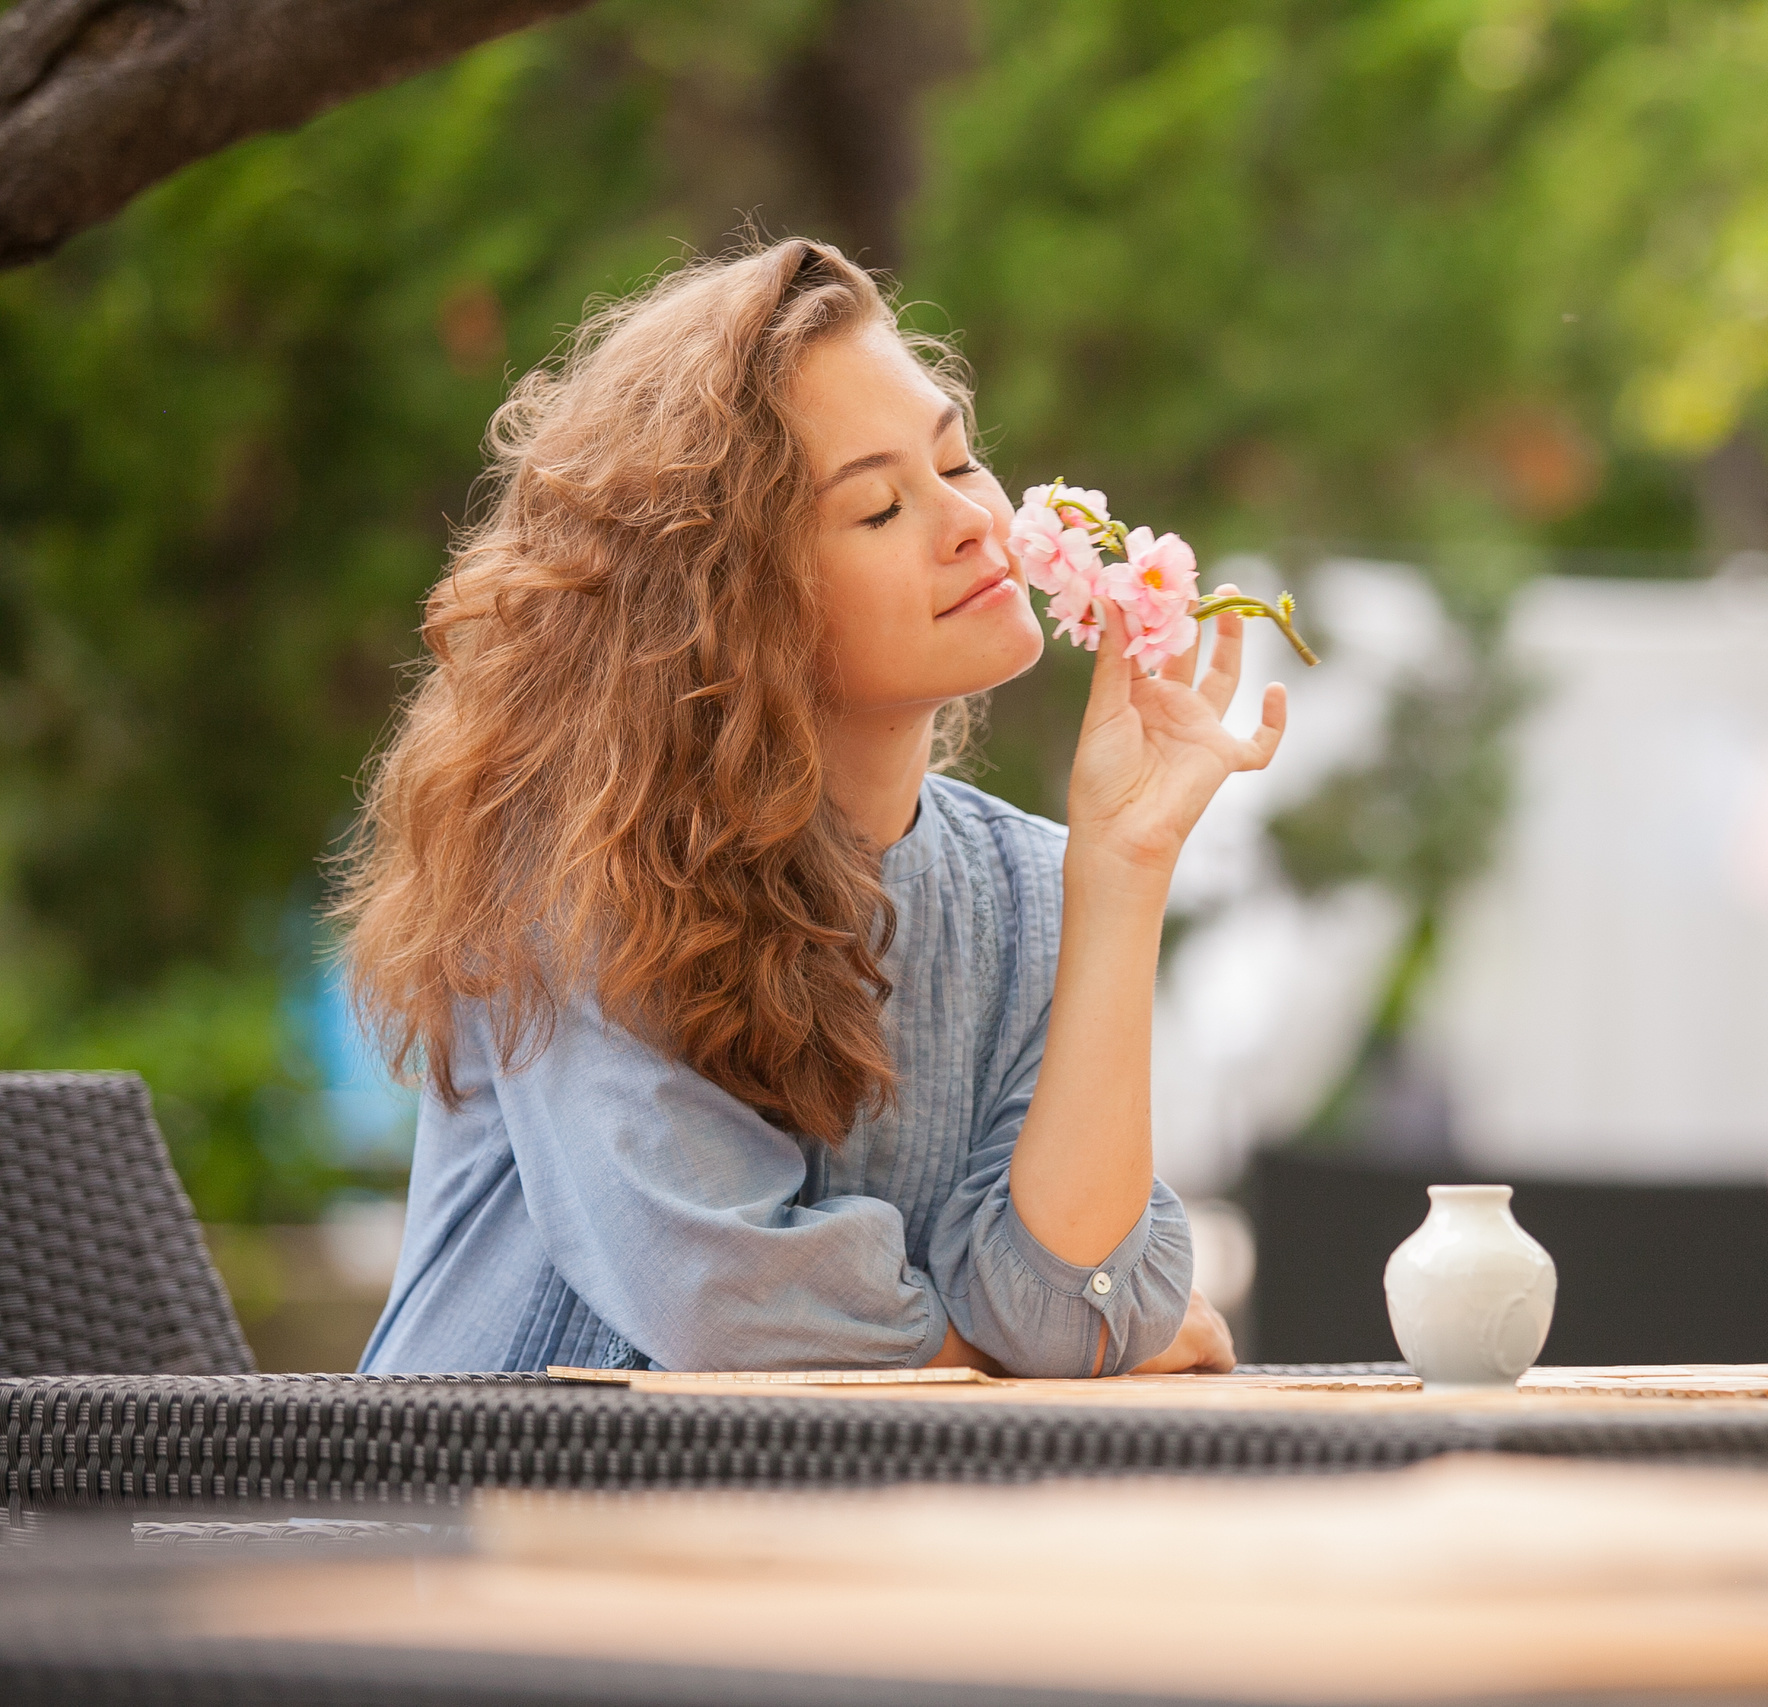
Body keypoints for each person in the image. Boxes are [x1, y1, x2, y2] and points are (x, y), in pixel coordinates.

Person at [340, 239, 1280, 1376]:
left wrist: (1124, 867)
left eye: (959, 461)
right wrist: (1005, 1353)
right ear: (736, 611)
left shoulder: (1033, 888)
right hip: (484, 1512)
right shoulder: (580, 871)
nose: (976, 521)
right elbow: (720, 1298)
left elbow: (1064, 1309)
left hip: (837, 1531)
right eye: (881, 508)